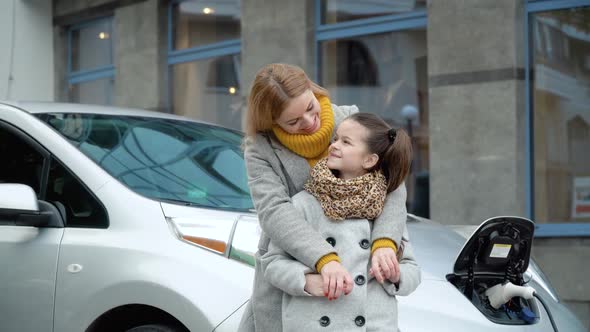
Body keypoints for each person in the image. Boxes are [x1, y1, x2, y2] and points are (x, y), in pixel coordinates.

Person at [239, 63, 408, 331]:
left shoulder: (348, 121)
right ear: (271, 123)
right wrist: (324, 258)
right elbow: (274, 211)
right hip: (296, 263)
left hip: (357, 277)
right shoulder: (260, 148)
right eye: (293, 121)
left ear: (312, 90)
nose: (308, 122)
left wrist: (385, 241)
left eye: (309, 107)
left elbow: (392, 180)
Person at [260, 112, 421, 331]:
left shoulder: (385, 211)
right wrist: (306, 281)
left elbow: (412, 269)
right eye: (335, 139)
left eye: (346, 142)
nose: (334, 145)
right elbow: (272, 264)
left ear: (369, 160)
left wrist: (396, 275)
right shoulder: (304, 203)